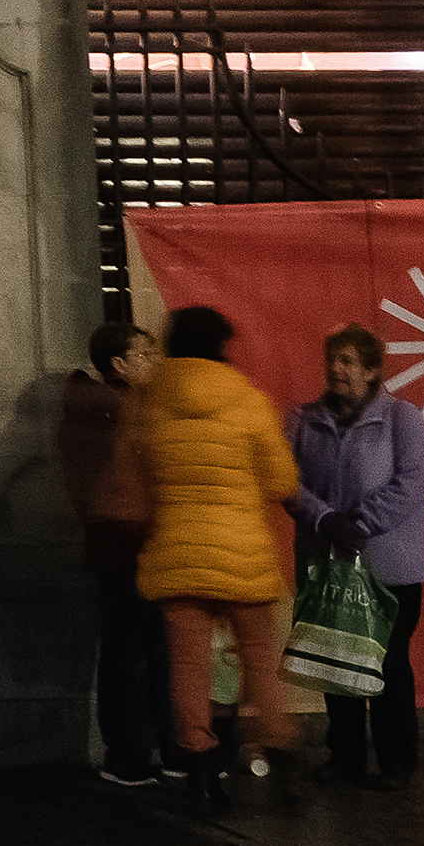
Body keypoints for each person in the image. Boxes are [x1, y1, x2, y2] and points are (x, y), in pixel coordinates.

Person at [130, 304, 297, 807]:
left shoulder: (149, 404)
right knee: (259, 664)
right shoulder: (247, 400)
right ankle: (283, 768)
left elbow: (139, 487)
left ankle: (202, 772)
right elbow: (282, 480)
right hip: (242, 553)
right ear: (222, 344)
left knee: (187, 669)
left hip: (178, 553)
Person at [283, 321, 424, 788]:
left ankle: (396, 759)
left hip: (389, 566)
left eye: (347, 361)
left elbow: (413, 482)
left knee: (387, 661)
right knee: (335, 659)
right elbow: (285, 479)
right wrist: (325, 518)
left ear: (372, 370)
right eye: (332, 359)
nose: (336, 368)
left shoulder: (402, 419)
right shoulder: (303, 419)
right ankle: (344, 755)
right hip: (325, 561)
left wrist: (362, 524)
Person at [61, 312, 169, 791]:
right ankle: (127, 752)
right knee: (129, 648)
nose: (155, 361)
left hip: (140, 542)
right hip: (124, 544)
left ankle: (158, 747)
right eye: (146, 353)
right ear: (120, 363)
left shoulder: (122, 409)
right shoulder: (109, 415)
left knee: (155, 647)